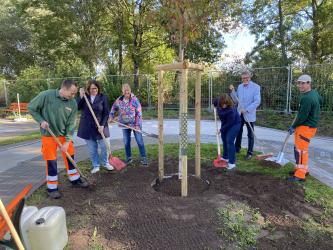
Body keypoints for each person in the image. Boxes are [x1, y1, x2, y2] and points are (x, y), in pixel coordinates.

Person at [28, 79, 88, 199]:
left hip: (64, 136)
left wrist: (66, 141)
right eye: (72, 92)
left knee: (70, 157)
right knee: (51, 161)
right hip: (48, 136)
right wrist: (41, 121)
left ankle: (75, 179)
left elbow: (71, 124)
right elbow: (31, 108)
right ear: (64, 88)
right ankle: (52, 188)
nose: (73, 95)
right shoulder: (46, 95)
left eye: (75, 93)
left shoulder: (72, 103)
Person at [287, 74, 321, 182]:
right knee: (301, 149)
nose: (300, 85)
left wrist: (293, 126)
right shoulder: (314, 94)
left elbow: (302, 117)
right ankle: (302, 169)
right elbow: (321, 100)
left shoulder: (307, 98)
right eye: (299, 83)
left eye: (303, 83)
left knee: (301, 151)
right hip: (309, 126)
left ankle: (300, 175)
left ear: (309, 83)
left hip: (305, 127)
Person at [77, 80, 114, 174]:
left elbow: (106, 113)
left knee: (105, 146)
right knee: (92, 148)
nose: (94, 90)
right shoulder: (85, 97)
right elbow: (77, 107)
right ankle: (96, 165)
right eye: (92, 88)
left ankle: (105, 163)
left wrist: (102, 125)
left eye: (96, 88)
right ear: (88, 89)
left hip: (101, 125)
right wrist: (81, 96)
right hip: (87, 127)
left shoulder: (103, 97)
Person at [109, 83, 148, 165]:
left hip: (135, 125)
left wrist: (137, 125)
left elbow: (139, 112)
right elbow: (113, 108)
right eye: (125, 91)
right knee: (126, 142)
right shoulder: (119, 100)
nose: (127, 92)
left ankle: (144, 158)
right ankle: (129, 158)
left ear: (130, 90)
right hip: (124, 125)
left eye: (128, 91)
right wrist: (111, 116)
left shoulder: (134, 100)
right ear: (122, 91)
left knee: (139, 141)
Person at [234, 70, 261, 160]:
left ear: (250, 77)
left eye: (246, 78)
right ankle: (237, 149)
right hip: (239, 113)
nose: (245, 79)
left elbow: (257, 101)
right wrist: (232, 92)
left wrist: (247, 109)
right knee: (238, 131)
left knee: (250, 134)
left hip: (249, 114)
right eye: (243, 78)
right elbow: (236, 99)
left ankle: (249, 153)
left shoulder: (256, 87)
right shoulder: (240, 87)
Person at [213, 94, 241, 170]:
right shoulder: (219, 101)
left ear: (228, 102)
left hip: (234, 124)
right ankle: (226, 157)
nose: (224, 105)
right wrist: (214, 105)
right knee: (224, 139)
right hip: (225, 123)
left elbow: (229, 123)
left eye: (226, 104)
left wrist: (221, 130)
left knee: (229, 141)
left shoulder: (231, 110)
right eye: (222, 104)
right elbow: (214, 102)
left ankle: (232, 163)